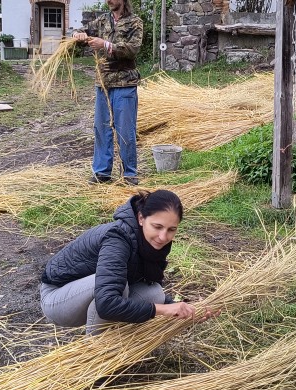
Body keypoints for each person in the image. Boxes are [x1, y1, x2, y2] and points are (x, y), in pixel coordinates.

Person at [40, 190, 217, 334]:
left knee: (154, 293)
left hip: (91, 291)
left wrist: (184, 309)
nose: (163, 237)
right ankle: (96, 356)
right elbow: (107, 303)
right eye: (157, 227)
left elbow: (144, 285)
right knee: (118, 289)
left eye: (171, 230)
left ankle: (116, 344)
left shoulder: (150, 242)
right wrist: (162, 310)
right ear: (141, 218)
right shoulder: (118, 238)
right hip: (58, 298)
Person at [72, 0, 142, 185]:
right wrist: (78, 35)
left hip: (125, 84)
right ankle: (102, 173)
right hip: (103, 84)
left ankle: (129, 174)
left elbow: (133, 50)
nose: (109, 0)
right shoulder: (102, 21)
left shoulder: (135, 22)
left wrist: (105, 45)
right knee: (101, 129)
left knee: (125, 131)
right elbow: (84, 33)